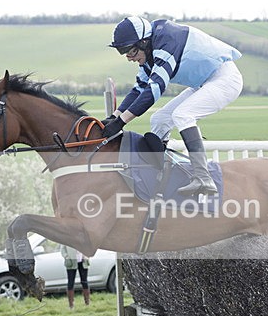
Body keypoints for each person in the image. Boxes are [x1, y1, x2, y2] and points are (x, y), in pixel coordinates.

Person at [103, 16, 243, 195]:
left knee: (182, 115)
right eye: (124, 53)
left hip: (225, 79)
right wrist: (114, 117)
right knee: (159, 119)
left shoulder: (167, 41)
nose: (129, 58)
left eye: (130, 51)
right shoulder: (148, 55)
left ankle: (203, 177)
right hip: (204, 82)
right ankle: (160, 173)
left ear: (144, 42)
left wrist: (121, 122)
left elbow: (155, 89)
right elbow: (138, 90)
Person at [60, 245, 90, 309]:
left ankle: (87, 302)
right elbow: (62, 248)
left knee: (84, 281)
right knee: (71, 282)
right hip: (71, 262)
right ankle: (71, 305)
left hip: (83, 261)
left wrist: (87, 256)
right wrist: (66, 257)